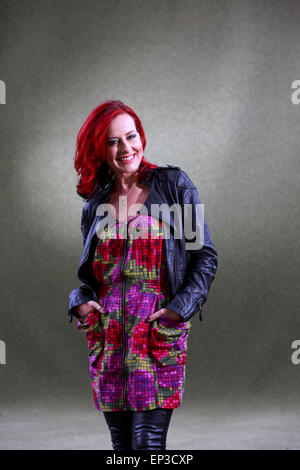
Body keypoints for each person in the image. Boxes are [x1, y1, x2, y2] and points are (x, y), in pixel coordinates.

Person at [68, 100, 218, 450]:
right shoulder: (95, 205)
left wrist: (179, 310)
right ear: (99, 149)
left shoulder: (174, 186)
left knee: (147, 444)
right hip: (109, 342)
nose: (125, 148)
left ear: (141, 136)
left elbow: (205, 256)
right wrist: (80, 302)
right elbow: (92, 279)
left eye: (131, 136)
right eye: (112, 141)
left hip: (154, 338)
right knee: (121, 445)